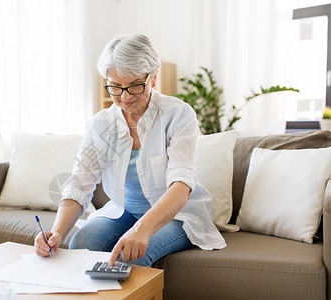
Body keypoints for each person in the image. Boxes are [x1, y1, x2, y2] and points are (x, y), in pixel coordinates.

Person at [34, 34, 226, 267]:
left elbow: (181, 185)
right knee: (81, 243)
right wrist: (56, 233)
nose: (124, 97)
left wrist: (142, 229)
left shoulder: (178, 115)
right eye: (115, 86)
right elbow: (79, 184)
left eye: (135, 85)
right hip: (123, 213)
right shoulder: (101, 125)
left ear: (154, 78)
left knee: (132, 254)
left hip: (177, 216)